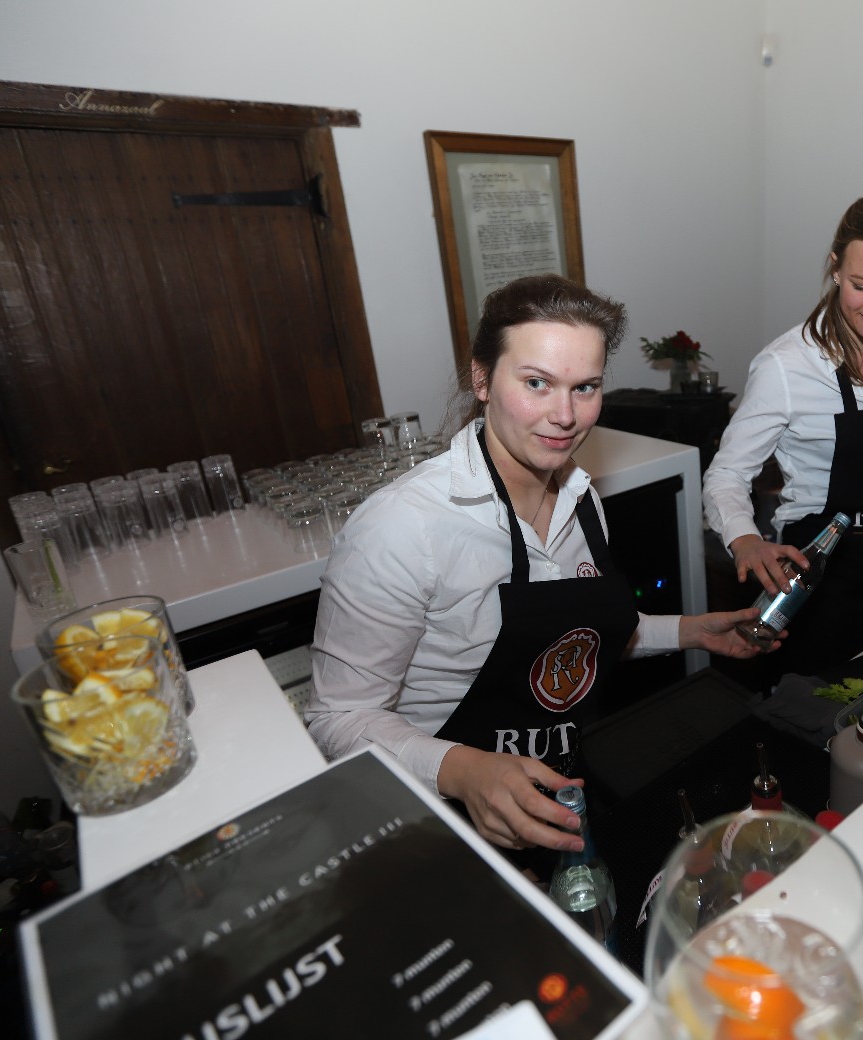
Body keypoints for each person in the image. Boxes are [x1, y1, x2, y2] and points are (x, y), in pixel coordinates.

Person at [306, 274, 770, 856]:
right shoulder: (401, 528)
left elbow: (570, 645)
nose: (565, 415)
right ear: (482, 379)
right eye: (537, 383)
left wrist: (692, 631)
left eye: (585, 388)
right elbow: (337, 718)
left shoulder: (583, 499)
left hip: (565, 787)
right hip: (441, 818)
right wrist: (465, 771)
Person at [703, 190, 863, 680]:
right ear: (835, 269)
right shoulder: (786, 367)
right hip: (822, 588)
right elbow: (726, 474)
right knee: (816, 712)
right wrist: (745, 539)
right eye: (861, 284)